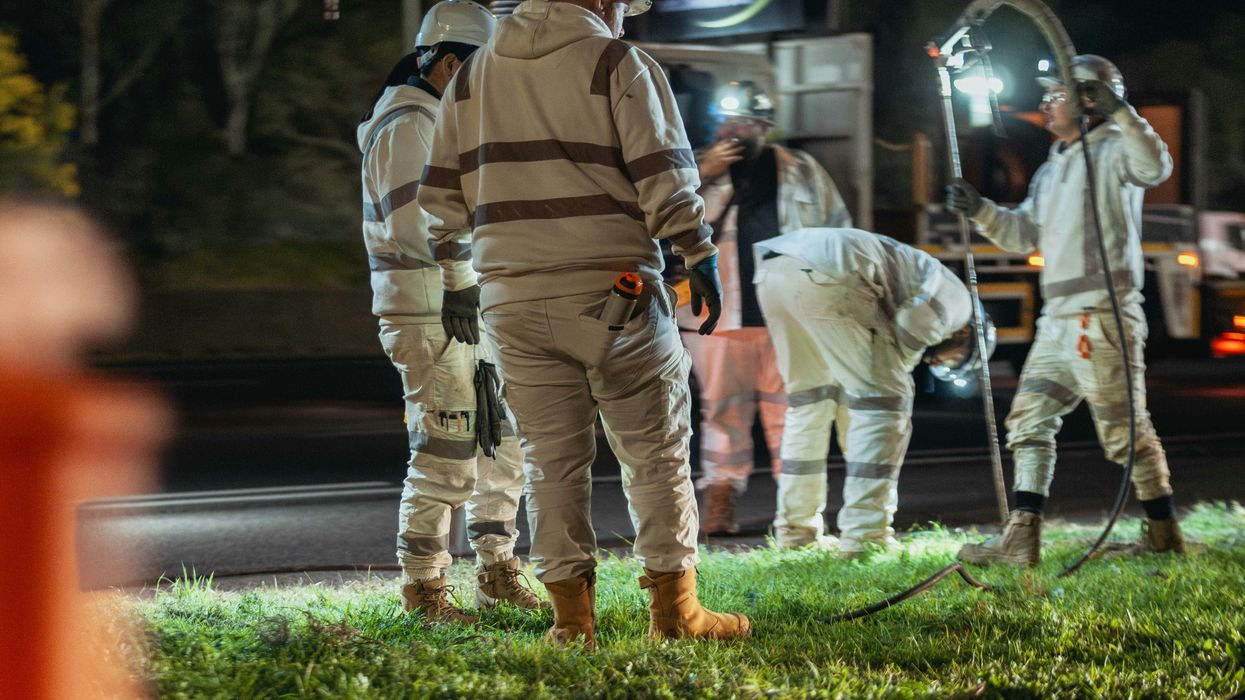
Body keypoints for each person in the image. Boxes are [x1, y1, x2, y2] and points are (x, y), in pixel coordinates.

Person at [417, 0, 750, 647]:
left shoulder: (473, 76)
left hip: (510, 298)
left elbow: (439, 199)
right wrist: (697, 252)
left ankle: (571, 623)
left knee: (549, 465)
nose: (625, 12)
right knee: (654, 456)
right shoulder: (616, 62)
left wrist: (460, 280)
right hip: (612, 289)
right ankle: (676, 617)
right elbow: (662, 171)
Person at [946, 54, 1183, 565]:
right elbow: (1023, 232)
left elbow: (1155, 166)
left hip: (1100, 318)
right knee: (1029, 421)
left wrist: (1121, 112)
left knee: (1124, 436)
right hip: (1060, 321)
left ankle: (1164, 535)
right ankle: (1021, 540)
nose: (1045, 102)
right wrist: (981, 209)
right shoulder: (1056, 165)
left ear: (1087, 100)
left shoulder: (1116, 149)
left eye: (1056, 94)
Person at [357, 0, 544, 623]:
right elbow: (416, 224)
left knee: (502, 443)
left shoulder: (438, 116)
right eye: (469, 64)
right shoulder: (407, 121)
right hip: (431, 309)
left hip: (469, 306)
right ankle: (425, 588)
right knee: (448, 449)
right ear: (437, 60)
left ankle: (496, 569)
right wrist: (471, 270)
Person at [680, 80, 853, 536]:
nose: (733, 129)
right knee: (721, 411)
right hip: (715, 316)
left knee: (793, 411)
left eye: (744, 121)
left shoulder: (801, 169)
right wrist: (702, 171)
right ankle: (721, 499)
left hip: (789, 315)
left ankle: (796, 512)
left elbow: (837, 232)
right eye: (725, 120)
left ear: (765, 125)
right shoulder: (689, 165)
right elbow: (656, 216)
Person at [754, 227, 991, 554]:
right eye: (955, 358)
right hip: (828, 273)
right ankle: (865, 538)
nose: (939, 359)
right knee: (885, 401)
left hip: (774, 272)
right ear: (968, 334)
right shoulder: (960, 304)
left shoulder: (926, 273)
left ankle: (796, 534)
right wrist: (892, 373)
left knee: (811, 402)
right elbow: (914, 325)